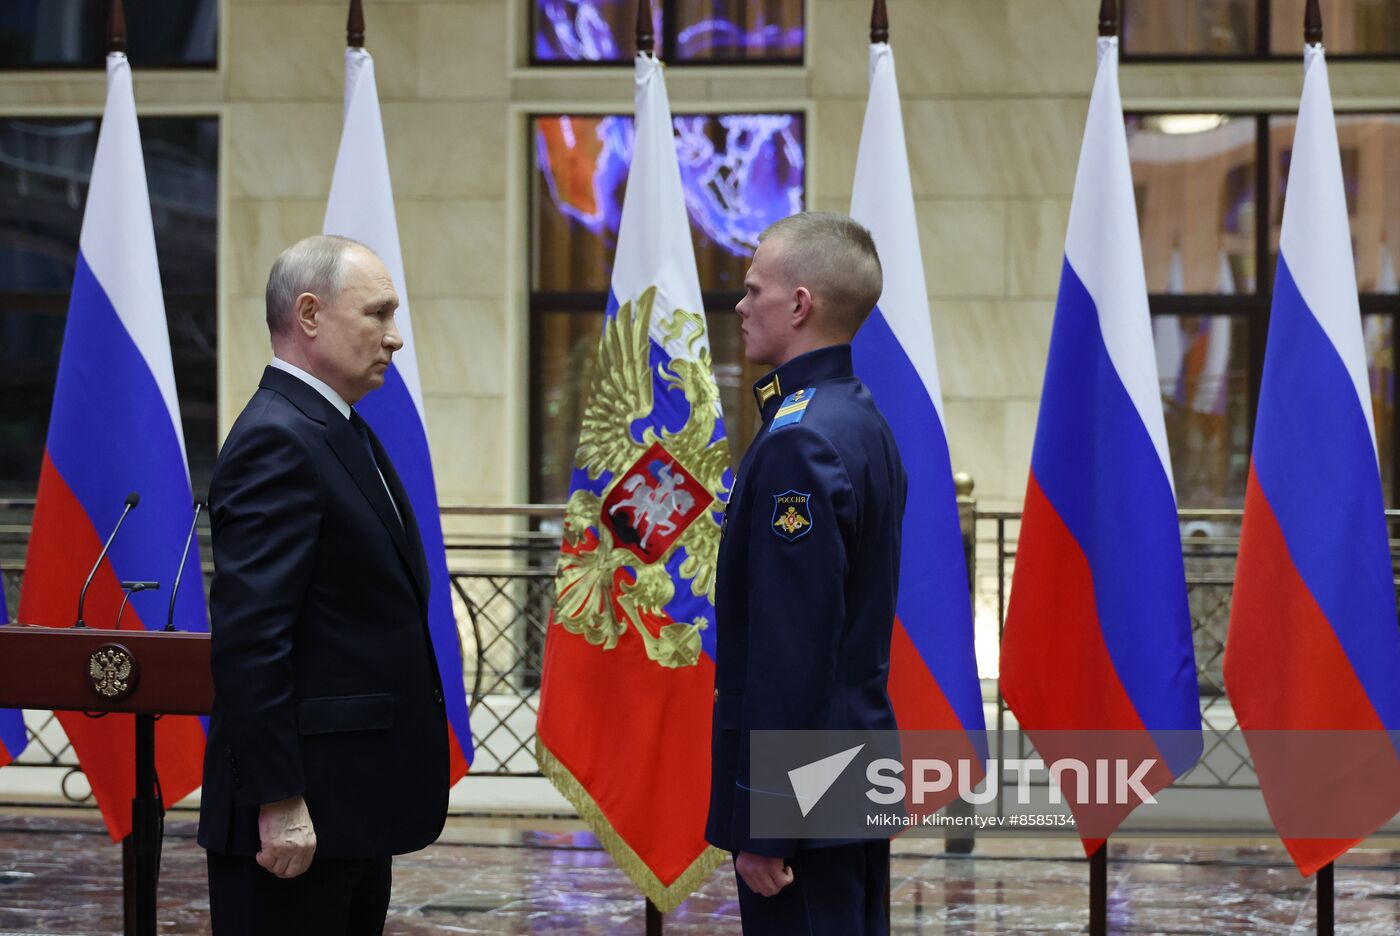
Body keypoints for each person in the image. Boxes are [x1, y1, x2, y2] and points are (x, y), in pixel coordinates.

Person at [198, 235, 449, 935]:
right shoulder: (278, 438)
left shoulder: (333, 427)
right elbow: (252, 640)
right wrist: (278, 798)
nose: (394, 339)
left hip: (347, 806)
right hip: (297, 815)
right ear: (308, 315)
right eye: (377, 314)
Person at [705, 213, 906, 935]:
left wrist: (769, 820)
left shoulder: (800, 442)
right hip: (849, 775)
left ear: (799, 304)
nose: (739, 305)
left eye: (753, 289)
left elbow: (795, 645)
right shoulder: (858, 419)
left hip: (805, 797)